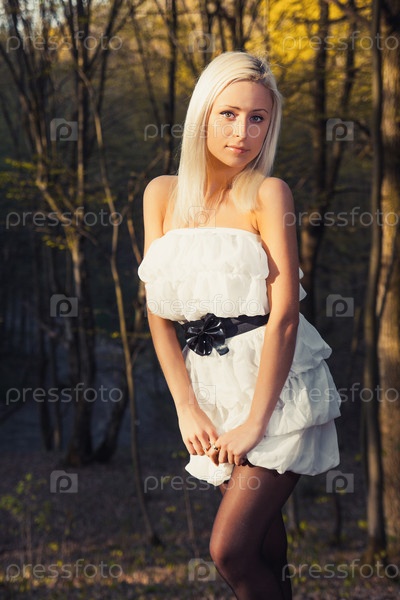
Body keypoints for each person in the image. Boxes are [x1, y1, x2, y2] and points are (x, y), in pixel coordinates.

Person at [138, 51, 341, 600]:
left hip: (278, 389)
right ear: (203, 113)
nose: (242, 132)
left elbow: (284, 317)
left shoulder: (268, 194)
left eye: (257, 118)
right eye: (228, 114)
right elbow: (158, 313)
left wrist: (255, 422)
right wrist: (186, 406)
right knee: (265, 552)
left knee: (229, 551)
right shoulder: (161, 194)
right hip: (211, 391)